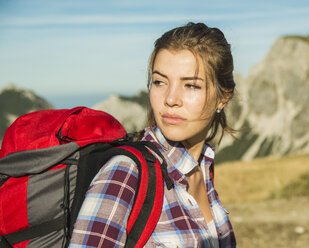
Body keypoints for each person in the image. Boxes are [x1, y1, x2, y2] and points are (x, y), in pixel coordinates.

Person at [69, 22, 236, 247]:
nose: (170, 99)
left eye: (191, 86)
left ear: (223, 97)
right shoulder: (126, 172)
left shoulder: (202, 169)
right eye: (159, 82)